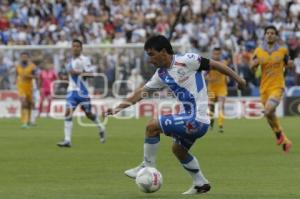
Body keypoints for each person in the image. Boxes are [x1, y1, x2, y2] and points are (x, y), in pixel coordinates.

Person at [105, 35, 246, 195]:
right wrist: (118, 108)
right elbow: (142, 92)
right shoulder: (161, 74)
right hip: (193, 120)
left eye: (151, 54)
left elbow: (215, 65)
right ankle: (200, 183)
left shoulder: (187, 59)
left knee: (152, 126)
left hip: (196, 119)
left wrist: (239, 79)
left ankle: (147, 165)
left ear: (164, 51)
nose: (150, 60)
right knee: (178, 149)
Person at [250, 25, 294, 153]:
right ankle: (284, 140)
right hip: (264, 88)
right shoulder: (258, 51)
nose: (270, 35)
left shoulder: (283, 50)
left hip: (277, 86)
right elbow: (252, 68)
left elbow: (288, 64)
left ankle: (278, 135)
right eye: (268, 33)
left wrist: (290, 64)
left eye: (272, 33)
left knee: (268, 111)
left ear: (276, 36)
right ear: (264, 35)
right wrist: (253, 66)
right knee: (270, 115)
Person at [57, 39, 106, 147]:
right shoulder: (69, 61)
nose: (75, 48)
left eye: (77, 46)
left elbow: (91, 74)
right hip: (71, 91)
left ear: (81, 48)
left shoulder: (85, 60)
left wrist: (78, 72)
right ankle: (67, 140)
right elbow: (71, 75)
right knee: (68, 112)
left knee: (88, 114)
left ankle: (101, 127)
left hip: (83, 92)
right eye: (73, 46)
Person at [206, 47, 228, 132]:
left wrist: (227, 78)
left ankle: (220, 125)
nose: (216, 55)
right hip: (211, 89)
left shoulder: (224, 63)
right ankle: (211, 123)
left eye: (218, 54)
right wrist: (208, 78)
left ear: (220, 54)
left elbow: (227, 73)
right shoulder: (209, 64)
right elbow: (204, 75)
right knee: (211, 107)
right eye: (215, 54)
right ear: (212, 54)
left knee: (221, 105)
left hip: (222, 88)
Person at [16, 52, 37, 128]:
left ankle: (29, 121)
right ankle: (24, 122)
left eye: (25, 57)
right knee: (24, 103)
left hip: (30, 87)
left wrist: (29, 76)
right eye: (23, 57)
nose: (24, 58)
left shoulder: (32, 66)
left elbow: (36, 76)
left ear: (28, 58)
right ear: (21, 58)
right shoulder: (17, 66)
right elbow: (17, 75)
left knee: (29, 104)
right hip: (21, 87)